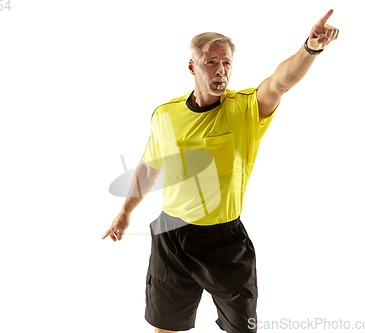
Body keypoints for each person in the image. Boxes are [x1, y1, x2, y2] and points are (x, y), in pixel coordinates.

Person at [102, 9, 339, 333]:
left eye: (226, 62)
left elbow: (280, 82)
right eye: (211, 62)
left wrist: (310, 49)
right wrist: (125, 211)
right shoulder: (165, 114)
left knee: (242, 328)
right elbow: (149, 166)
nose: (221, 70)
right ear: (192, 67)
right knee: (165, 327)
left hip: (225, 241)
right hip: (172, 238)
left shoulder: (244, 108)